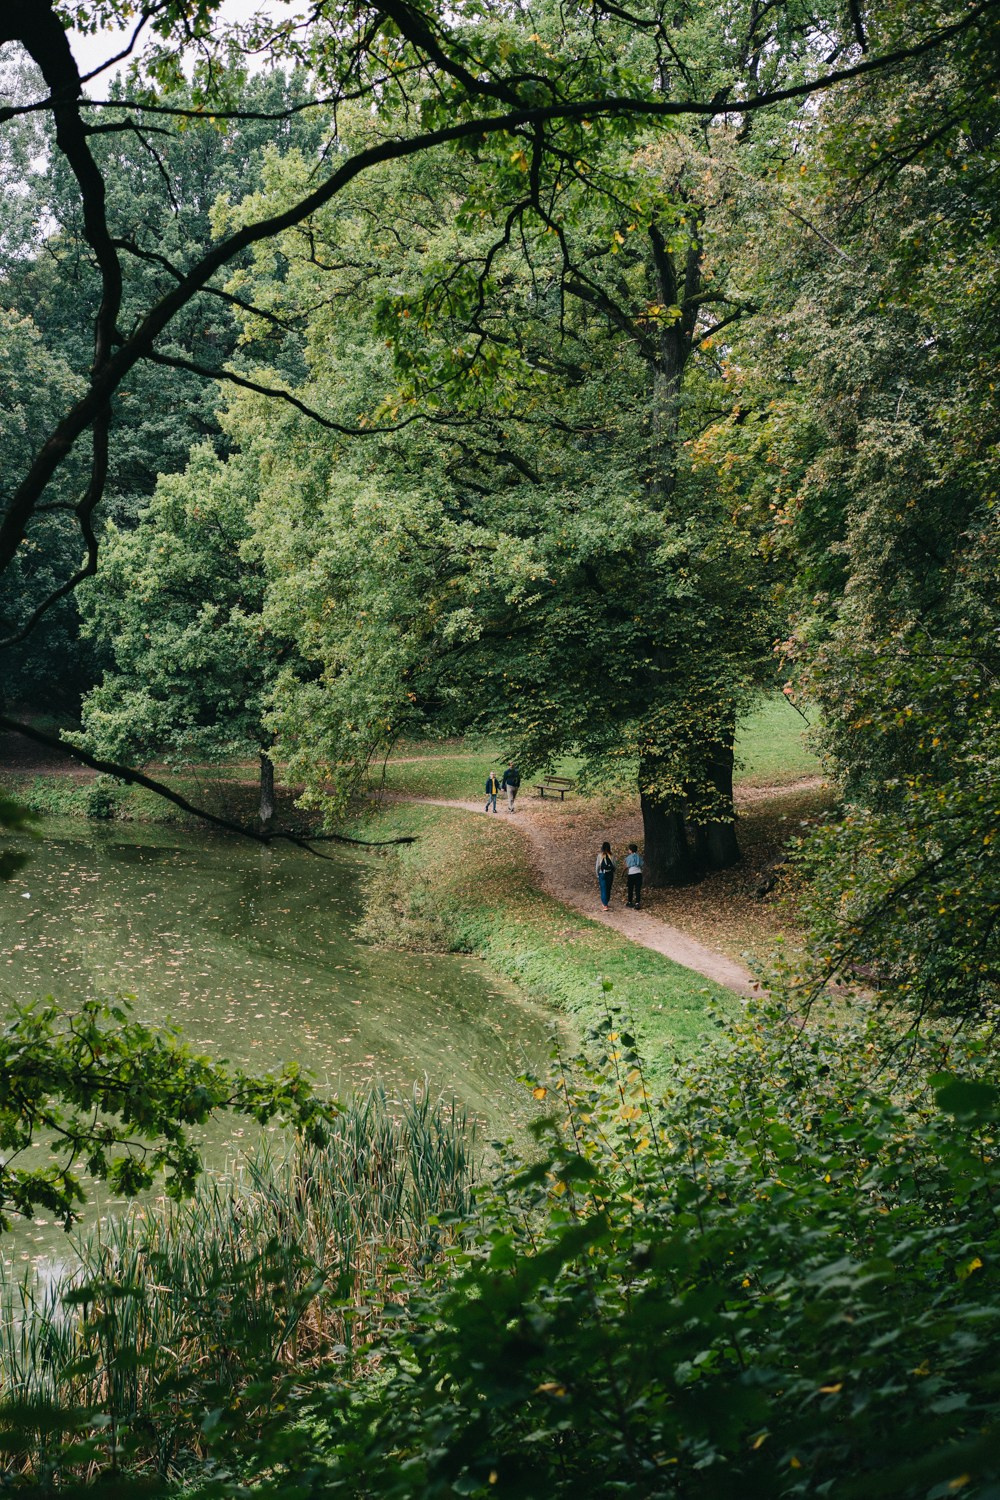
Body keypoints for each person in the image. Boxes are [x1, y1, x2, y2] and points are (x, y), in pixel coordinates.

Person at [595, 841, 615, 911]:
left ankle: (605, 904)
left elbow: (597, 866)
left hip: (602, 873)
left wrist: (597, 874)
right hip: (610, 874)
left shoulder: (600, 855)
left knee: (603, 889)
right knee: (608, 889)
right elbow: (614, 866)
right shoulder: (612, 855)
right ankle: (606, 902)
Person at [624, 844, 643, 909]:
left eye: (629, 849)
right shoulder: (639, 856)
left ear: (631, 850)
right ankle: (637, 903)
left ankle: (630, 902)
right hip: (638, 873)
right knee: (638, 889)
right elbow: (641, 864)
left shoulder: (628, 858)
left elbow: (626, 866)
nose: (628, 850)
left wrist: (623, 872)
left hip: (631, 873)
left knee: (630, 888)